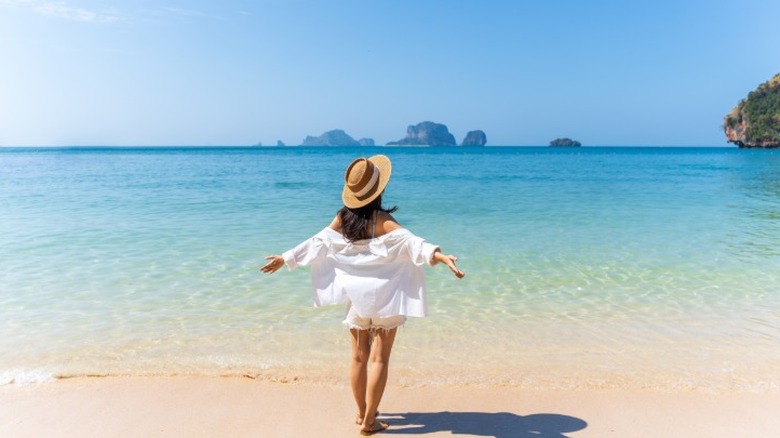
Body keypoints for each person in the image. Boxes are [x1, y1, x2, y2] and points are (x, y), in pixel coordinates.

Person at [260, 154, 464, 436]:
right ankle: (370, 421)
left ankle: (361, 414)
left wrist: (286, 258)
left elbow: (317, 241)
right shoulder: (383, 219)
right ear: (378, 190)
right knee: (379, 359)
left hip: (357, 299)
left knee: (358, 357)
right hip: (387, 298)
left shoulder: (343, 218)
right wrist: (440, 256)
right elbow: (413, 243)